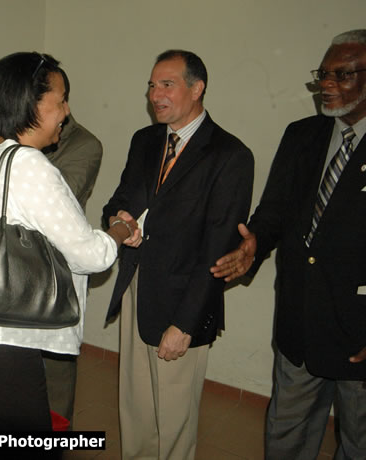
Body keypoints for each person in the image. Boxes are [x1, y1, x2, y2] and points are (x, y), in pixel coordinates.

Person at [0, 52, 129, 430]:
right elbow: (90, 255)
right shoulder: (32, 166)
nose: (66, 112)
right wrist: (120, 230)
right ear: (32, 103)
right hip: (1, 337)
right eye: (60, 100)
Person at [211, 30, 366, 459]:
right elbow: (274, 210)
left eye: (343, 74)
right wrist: (254, 245)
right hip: (300, 321)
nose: (327, 84)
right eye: (324, 74)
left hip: (359, 332)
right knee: (286, 439)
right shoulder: (303, 135)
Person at [102, 50, 254, 460]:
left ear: (197, 88)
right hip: (137, 289)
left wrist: (184, 324)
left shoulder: (229, 156)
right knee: (134, 410)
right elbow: (117, 203)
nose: (155, 94)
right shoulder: (145, 141)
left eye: (167, 84)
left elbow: (218, 249)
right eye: (152, 85)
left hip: (183, 302)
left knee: (173, 420)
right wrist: (120, 222)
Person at [41, 67, 103, 425]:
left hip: (56, 275)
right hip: (17, 275)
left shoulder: (84, 144)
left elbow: (55, 202)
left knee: (55, 380)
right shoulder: (15, 142)